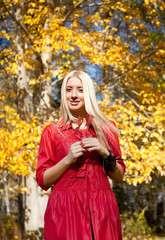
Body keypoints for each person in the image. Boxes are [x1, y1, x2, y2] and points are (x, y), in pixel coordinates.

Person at [36, 70, 126, 240]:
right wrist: (68, 159)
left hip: (102, 207)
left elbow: (119, 176)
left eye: (80, 90)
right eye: (69, 90)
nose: (74, 95)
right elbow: (43, 180)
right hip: (65, 209)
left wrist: (105, 153)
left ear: (89, 93)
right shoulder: (52, 131)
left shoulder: (107, 128)